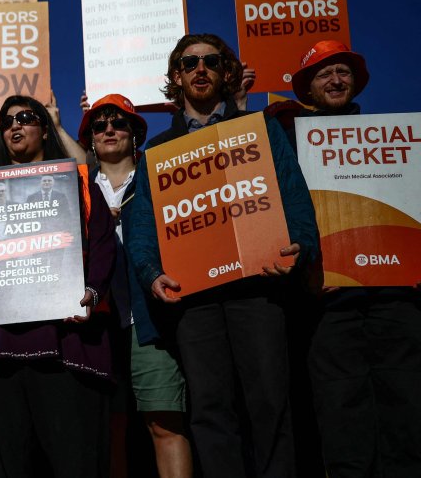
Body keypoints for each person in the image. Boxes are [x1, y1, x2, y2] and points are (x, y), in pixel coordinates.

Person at [125, 34, 320, 478]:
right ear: (176, 76)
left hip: (258, 289)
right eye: (189, 62)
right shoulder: (157, 151)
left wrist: (300, 244)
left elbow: (294, 197)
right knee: (211, 411)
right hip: (195, 300)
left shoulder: (260, 128)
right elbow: (142, 229)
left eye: (211, 61)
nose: (200, 69)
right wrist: (151, 273)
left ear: (224, 72)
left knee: (270, 403)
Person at [279, 40, 421, 477]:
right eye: (324, 74)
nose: (335, 80)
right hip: (329, 301)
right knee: (342, 417)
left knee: (407, 410)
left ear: (355, 81)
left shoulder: (397, 138)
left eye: (342, 72)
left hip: (399, 299)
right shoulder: (289, 143)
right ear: (308, 87)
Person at [0, 95, 116, 478]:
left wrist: (91, 292)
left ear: (44, 128)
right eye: (6, 121)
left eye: (25, 117)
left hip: (66, 344)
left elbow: (105, 243)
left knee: (75, 463)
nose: (14, 125)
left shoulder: (78, 183)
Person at [78, 95, 191, 478]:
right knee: (109, 430)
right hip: (94, 325)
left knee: (164, 422)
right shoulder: (71, 190)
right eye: (99, 125)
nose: (109, 130)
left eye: (119, 123)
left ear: (136, 134)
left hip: (148, 319)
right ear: (90, 140)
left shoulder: (163, 176)